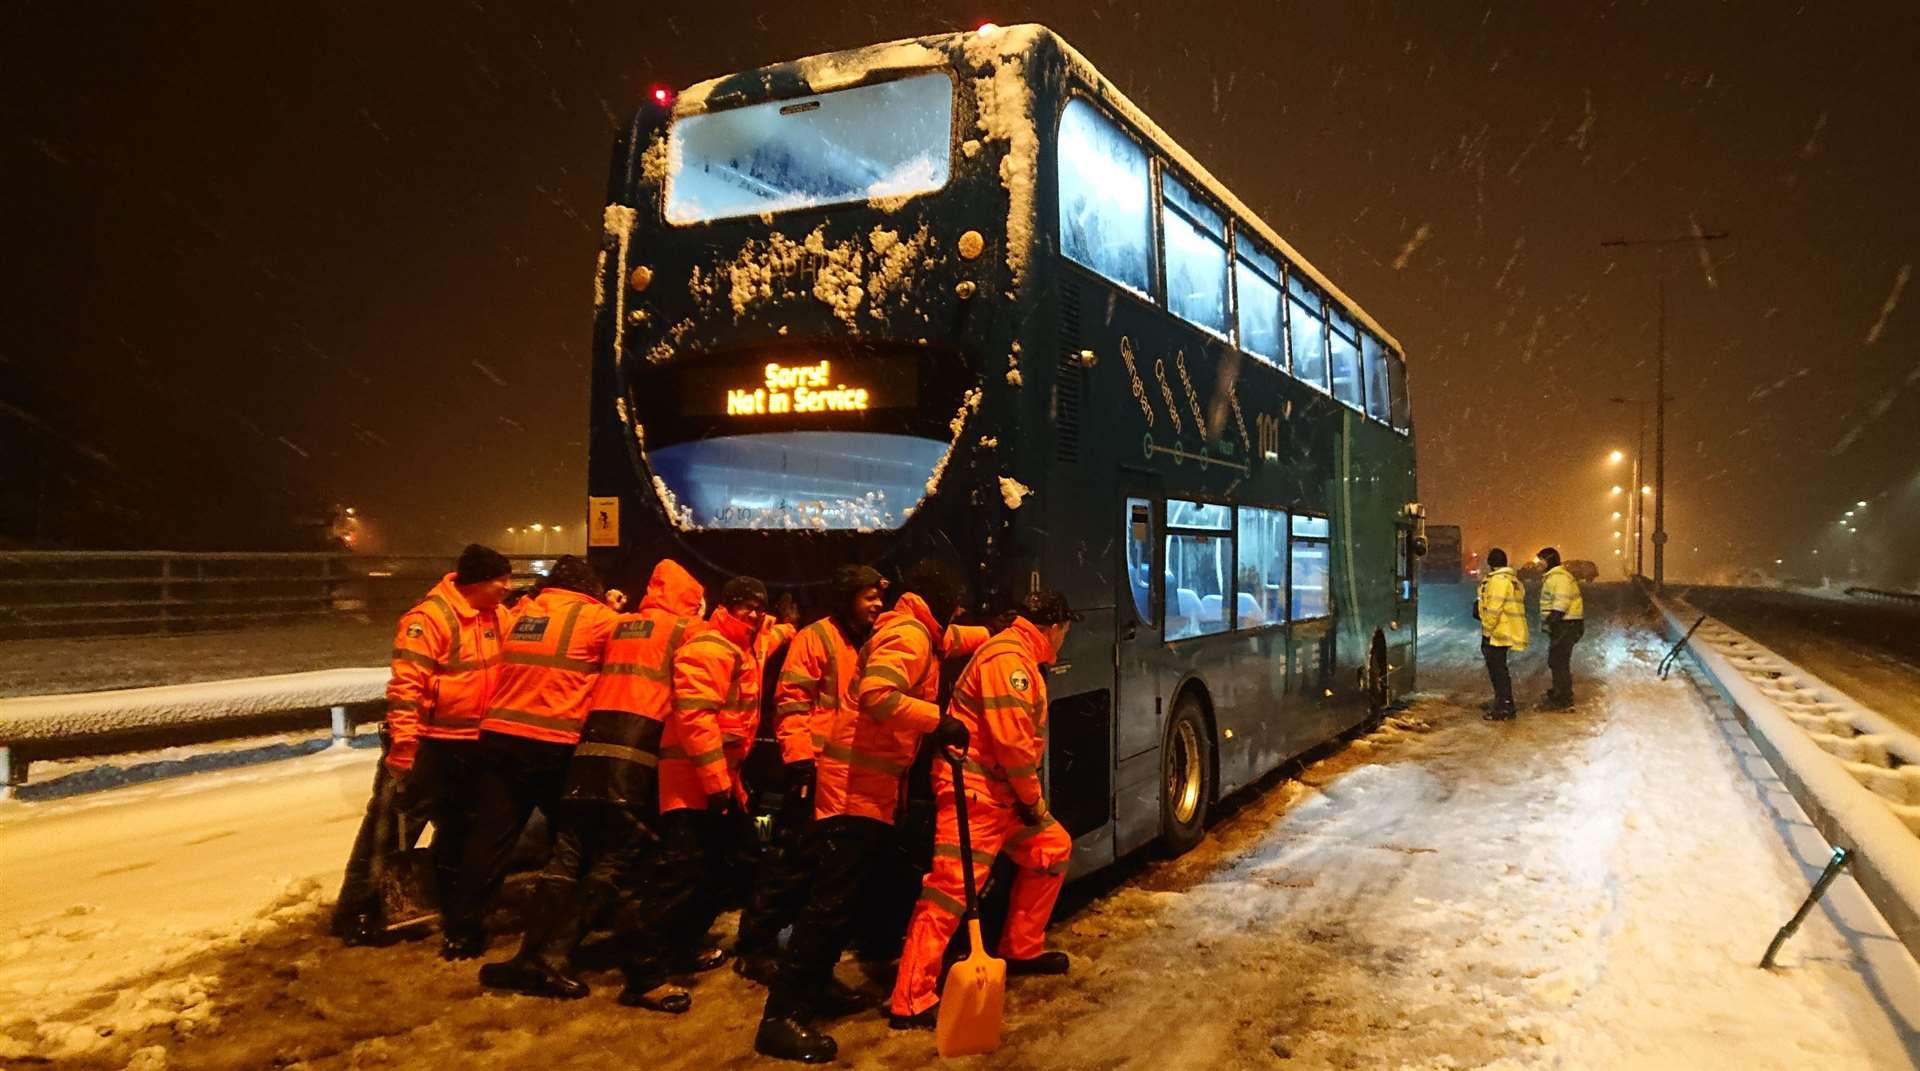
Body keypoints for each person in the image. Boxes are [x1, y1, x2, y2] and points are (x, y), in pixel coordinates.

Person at [752, 560, 988, 1063]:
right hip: (849, 790)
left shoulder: (916, 630)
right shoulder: (908, 636)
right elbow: (877, 694)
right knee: (830, 906)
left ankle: (814, 988)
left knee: (852, 900)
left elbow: (951, 641)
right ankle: (782, 1017)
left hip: (868, 791)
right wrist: (938, 722)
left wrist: (1000, 633)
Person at [476, 558, 702, 999]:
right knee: (624, 862)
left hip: (586, 753)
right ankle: (639, 975)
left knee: (567, 854)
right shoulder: (686, 632)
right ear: (690, 601)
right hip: (631, 758)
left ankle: (530, 958)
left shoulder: (621, 625)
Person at [885, 589, 1080, 1031]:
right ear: (1050, 629)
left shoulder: (1015, 656)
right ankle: (910, 998)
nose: (1063, 642)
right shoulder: (1009, 662)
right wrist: (1033, 801)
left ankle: (1021, 947)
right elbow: (1012, 745)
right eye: (1064, 633)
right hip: (975, 794)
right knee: (948, 891)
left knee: (1052, 848)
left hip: (1001, 795)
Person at [441, 556, 624, 960]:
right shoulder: (596, 618)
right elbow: (633, 643)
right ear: (589, 587)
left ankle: (463, 931)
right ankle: (586, 914)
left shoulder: (524, 611)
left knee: (491, 838)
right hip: (555, 742)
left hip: (500, 737)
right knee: (576, 836)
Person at [332, 544, 513, 945]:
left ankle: (437, 898)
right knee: (388, 832)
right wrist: (403, 745)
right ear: (478, 583)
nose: (507, 587)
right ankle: (357, 912)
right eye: (501, 580)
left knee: (459, 828)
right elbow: (406, 686)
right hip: (429, 745)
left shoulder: (496, 615)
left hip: (472, 743)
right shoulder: (428, 620)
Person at [618, 575, 768, 1013]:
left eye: (760, 606)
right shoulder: (710, 648)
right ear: (727, 606)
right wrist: (717, 784)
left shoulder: (737, 645)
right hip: (694, 783)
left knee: (722, 870)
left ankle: (681, 948)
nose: (755, 614)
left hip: (716, 781)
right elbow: (697, 719)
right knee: (679, 876)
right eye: (747, 606)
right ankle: (643, 975)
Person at [735, 565, 888, 984]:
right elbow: (790, 703)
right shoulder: (816, 638)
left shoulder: (868, 641)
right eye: (868, 597)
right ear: (847, 599)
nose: (877, 604)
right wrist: (800, 759)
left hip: (845, 774)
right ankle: (755, 945)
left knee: (824, 869)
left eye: (879, 596)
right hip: (814, 770)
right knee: (793, 861)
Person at [1474, 548, 1529, 721]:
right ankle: (1503, 702)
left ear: (1490, 563)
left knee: (1498, 671)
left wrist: (1487, 630)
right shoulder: (1512, 580)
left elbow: (1494, 608)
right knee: (1500, 670)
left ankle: (1504, 706)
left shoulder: (1498, 581)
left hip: (1498, 633)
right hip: (1505, 630)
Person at [1536, 547, 1586, 709]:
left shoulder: (1559, 578)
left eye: (1541, 560)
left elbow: (1561, 601)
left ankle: (1563, 698)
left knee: (1559, 660)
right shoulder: (1554, 577)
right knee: (1557, 660)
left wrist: (1553, 618)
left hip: (1566, 623)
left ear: (1549, 560)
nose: (1539, 564)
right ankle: (1560, 690)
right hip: (1565, 623)